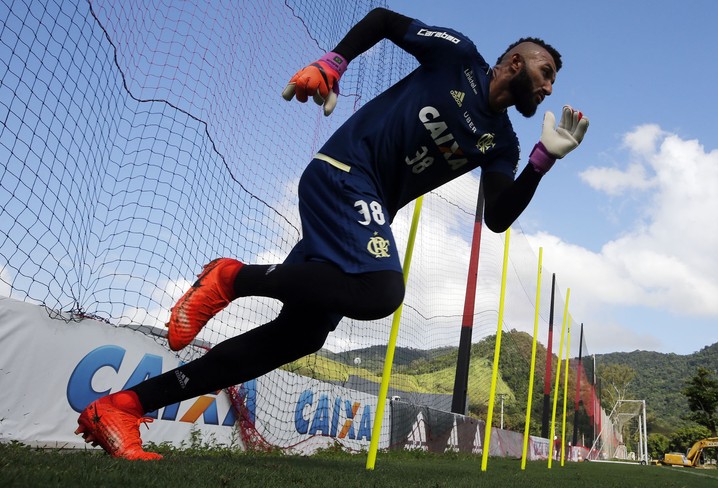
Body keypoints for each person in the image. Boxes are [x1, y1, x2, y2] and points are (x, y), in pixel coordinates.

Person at [74, 7, 588, 460]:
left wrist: (543, 162)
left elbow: (497, 216)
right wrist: (332, 63)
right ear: (515, 65)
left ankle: (122, 408)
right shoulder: (459, 57)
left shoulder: (503, 143)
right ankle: (234, 278)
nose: (548, 88)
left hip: (359, 214)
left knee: (299, 335)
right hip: (343, 172)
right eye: (545, 74)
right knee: (382, 290)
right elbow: (385, 21)